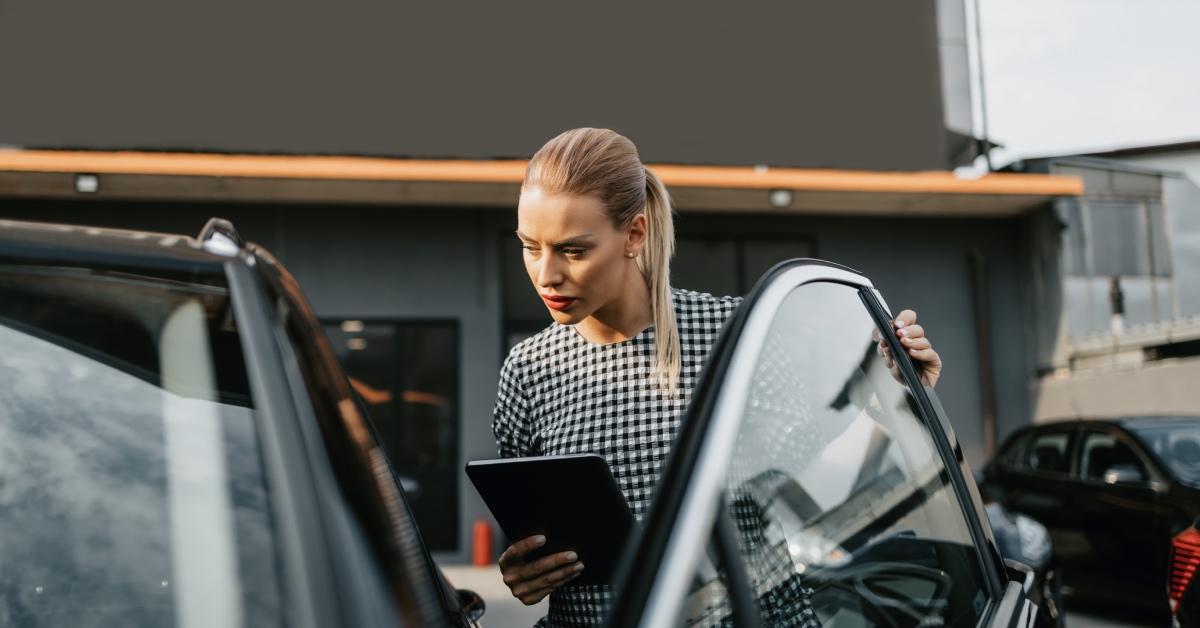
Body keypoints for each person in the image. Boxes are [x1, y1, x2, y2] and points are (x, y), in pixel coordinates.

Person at [492, 128, 943, 627]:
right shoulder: (528, 369)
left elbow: (812, 480)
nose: (545, 274)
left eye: (572, 250)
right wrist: (523, 569)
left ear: (634, 235)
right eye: (530, 246)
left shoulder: (730, 333)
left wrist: (894, 393)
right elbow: (538, 533)